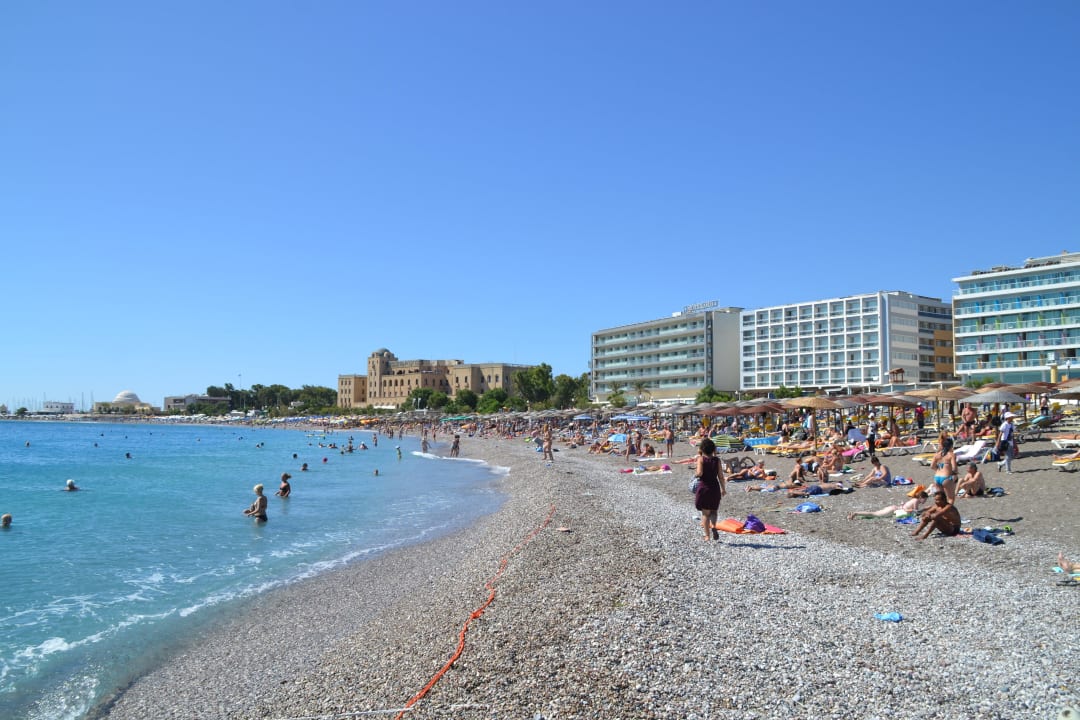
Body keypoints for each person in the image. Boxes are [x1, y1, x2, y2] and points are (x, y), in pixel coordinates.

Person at [693, 438, 727, 541]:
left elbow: (699, 473)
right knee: (714, 511)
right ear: (713, 449)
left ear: (702, 449)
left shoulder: (701, 459)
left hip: (704, 488)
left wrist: (695, 474)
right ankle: (714, 526)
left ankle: (707, 536)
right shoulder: (717, 460)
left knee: (705, 513)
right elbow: (721, 476)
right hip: (715, 488)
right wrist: (723, 489)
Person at [848, 487, 929, 520]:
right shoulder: (916, 501)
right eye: (925, 499)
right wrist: (925, 509)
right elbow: (915, 512)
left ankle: (856, 514)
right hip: (893, 510)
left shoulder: (914, 499)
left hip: (894, 508)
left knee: (874, 514)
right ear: (921, 498)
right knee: (874, 514)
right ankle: (855, 513)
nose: (925, 501)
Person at [931, 437, 959, 502]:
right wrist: (955, 474)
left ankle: (941, 510)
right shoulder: (951, 455)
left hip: (937, 477)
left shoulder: (937, 454)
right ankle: (948, 512)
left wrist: (938, 470)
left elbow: (932, 466)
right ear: (951, 445)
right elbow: (954, 468)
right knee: (951, 498)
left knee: (941, 499)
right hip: (946, 478)